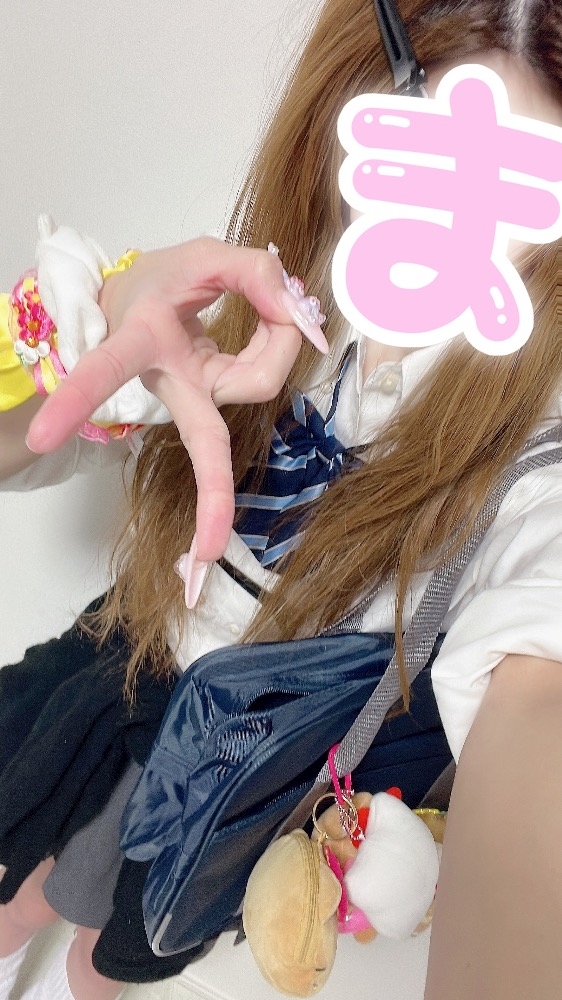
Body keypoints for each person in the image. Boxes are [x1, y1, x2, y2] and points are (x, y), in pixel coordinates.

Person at [1, 1, 562, 999]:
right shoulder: (269, 289)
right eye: (412, 172)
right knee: (22, 886)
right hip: (123, 660)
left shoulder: (529, 461)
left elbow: (537, 687)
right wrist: (90, 336)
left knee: (106, 960)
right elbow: (24, 446)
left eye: (518, 208)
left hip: (239, 770)